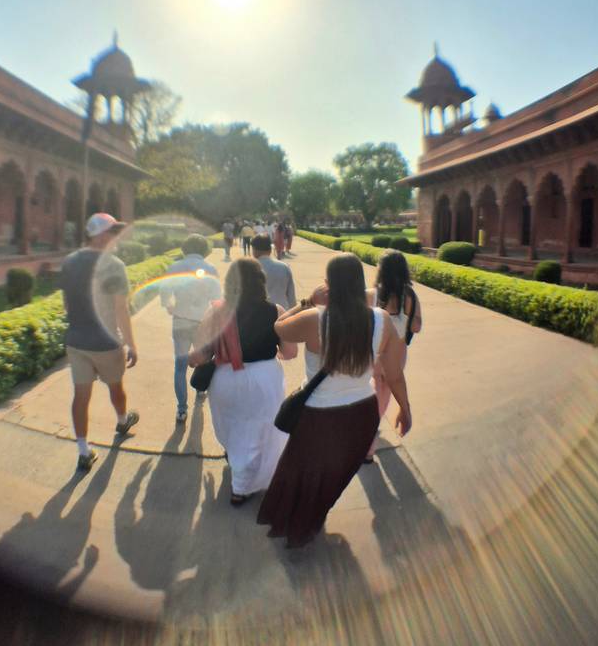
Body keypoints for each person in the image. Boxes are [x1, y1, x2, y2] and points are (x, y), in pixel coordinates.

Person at [257, 252, 411, 548]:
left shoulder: (315, 318)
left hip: (319, 417)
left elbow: (278, 326)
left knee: (303, 474)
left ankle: (301, 524)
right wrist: (405, 408)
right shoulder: (381, 320)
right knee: (334, 475)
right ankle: (315, 517)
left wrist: (307, 301)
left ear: (330, 284)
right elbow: (394, 374)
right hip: (362, 414)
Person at [189, 258, 297, 505]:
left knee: (231, 426)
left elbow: (201, 350)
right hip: (265, 379)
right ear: (261, 281)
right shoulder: (276, 311)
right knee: (260, 430)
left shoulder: (217, 310)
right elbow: (290, 352)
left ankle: (239, 477)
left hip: (226, 378)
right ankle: (245, 483)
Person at [59, 212, 139, 473]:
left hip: (77, 341)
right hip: (106, 343)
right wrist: (131, 344)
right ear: (102, 235)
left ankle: (83, 451)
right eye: (113, 232)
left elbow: (66, 304)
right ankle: (122, 421)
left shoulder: (69, 261)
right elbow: (121, 310)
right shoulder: (114, 265)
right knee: (116, 388)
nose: (116, 237)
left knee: (80, 397)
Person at [365, 249, 422, 459]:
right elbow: (416, 327)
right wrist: (404, 320)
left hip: (374, 354)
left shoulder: (371, 294)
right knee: (383, 396)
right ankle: (368, 447)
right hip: (397, 356)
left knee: (372, 393)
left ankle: (367, 435)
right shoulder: (410, 295)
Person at [160, 234, 221, 424]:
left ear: (184, 248)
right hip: (203, 322)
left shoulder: (175, 267)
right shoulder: (210, 269)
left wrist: (170, 305)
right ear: (204, 249)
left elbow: (164, 293)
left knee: (179, 367)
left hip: (181, 320)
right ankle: (200, 389)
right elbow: (217, 299)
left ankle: (181, 409)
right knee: (203, 360)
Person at [251, 233, 296, 311]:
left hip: (256, 315)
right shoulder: (284, 267)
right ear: (270, 250)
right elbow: (291, 297)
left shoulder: (249, 268)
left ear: (254, 250)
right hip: (282, 313)